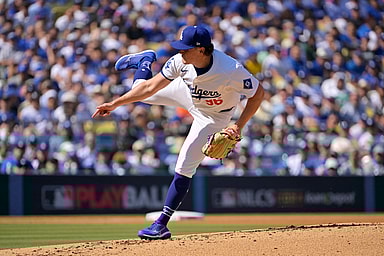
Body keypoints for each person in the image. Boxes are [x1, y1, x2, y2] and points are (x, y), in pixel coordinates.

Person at [92, 25, 265, 239]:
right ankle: (145, 60)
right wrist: (116, 103)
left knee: (184, 164)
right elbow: (148, 88)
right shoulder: (180, 62)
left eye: (185, 48)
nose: (180, 51)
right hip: (186, 93)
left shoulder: (230, 70)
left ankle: (161, 224)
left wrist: (238, 125)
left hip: (214, 116)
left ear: (201, 50)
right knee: (141, 92)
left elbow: (257, 94)